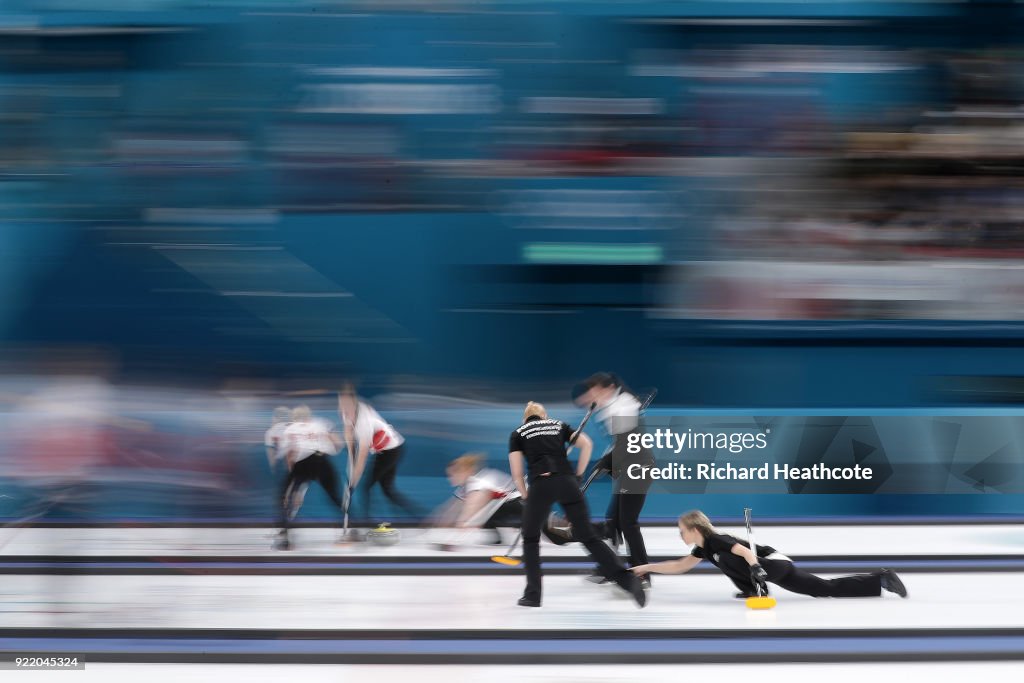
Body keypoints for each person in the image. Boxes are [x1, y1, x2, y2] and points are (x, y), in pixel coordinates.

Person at [509, 401, 646, 608]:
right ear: (544, 416)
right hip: (567, 482)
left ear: (525, 418)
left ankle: (533, 595)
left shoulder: (518, 433)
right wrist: (578, 475)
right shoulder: (558, 425)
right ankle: (628, 581)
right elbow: (587, 444)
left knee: (530, 539)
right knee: (588, 536)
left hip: (540, 485)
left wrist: (527, 496)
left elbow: (517, 474)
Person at [631, 510, 908, 600]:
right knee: (823, 588)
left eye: (682, 531)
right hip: (773, 568)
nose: (680, 536)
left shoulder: (716, 540)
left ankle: (754, 590)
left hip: (770, 564)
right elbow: (680, 566)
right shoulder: (703, 548)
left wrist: (756, 571)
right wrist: (647, 567)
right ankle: (881, 580)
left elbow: (740, 551)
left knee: (727, 559)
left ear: (694, 528)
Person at [572, 372, 654, 585]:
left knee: (628, 522)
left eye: (595, 390)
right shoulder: (610, 406)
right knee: (613, 520)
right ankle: (609, 568)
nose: (592, 395)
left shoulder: (624, 405)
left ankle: (642, 573)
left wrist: (607, 461)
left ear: (607, 388)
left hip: (638, 466)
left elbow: (628, 442)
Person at [434, 453, 565, 550]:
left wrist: (461, 527)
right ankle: (498, 538)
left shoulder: (478, 482)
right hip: (508, 506)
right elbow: (453, 507)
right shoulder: (467, 486)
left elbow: (473, 506)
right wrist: (439, 522)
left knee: (557, 539)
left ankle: (568, 525)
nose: (450, 479)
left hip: (520, 504)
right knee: (485, 513)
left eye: (453, 475)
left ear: (465, 471)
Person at [338, 383, 420, 522]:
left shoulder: (364, 422)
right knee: (387, 491)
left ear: (353, 403)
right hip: (384, 449)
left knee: (366, 487)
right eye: (340, 404)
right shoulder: (349, 412)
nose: (341, 409)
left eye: (345, 405)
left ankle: (366, 523)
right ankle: (415, 517)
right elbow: (348, 434)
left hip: (392, 450)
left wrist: (352, 484)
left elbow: (362, 458)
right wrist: (351, 456)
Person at [274, 405, 345, 551]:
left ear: (294, 418)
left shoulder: (290, 429)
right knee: (335, 497)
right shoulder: (320, 424)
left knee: (284, 497)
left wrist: (297, 489)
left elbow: (290, 455)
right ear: (309, 416)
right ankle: (351, 527)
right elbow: (338, 443)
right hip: (322, 460)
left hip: (303, 463)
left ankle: (285, 537)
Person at [265, 406, 306, 520]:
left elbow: (272, 456)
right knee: (294, 494)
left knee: (286, 495)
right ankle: (289, 518)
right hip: (296, 464)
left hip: (286, 464)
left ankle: (287, 520)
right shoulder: (295, 429)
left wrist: (274, 469)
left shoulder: (271, 432)